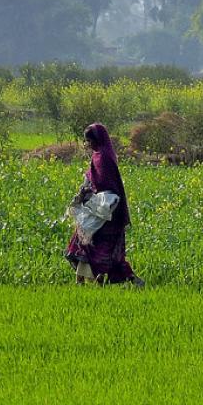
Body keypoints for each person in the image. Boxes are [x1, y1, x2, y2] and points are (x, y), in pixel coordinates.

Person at [65, 123, 144, 287]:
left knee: (98, 248)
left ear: (97, 140)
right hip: (99, 209)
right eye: (86, 141)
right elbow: (94, 179)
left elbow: (104, 183)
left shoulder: (103, 157)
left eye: (89, 141)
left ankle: (121, 280)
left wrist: (88, 193)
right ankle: (86, 281)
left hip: (107, 211)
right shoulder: (101, 154)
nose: (88, 144)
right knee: (85, 242)